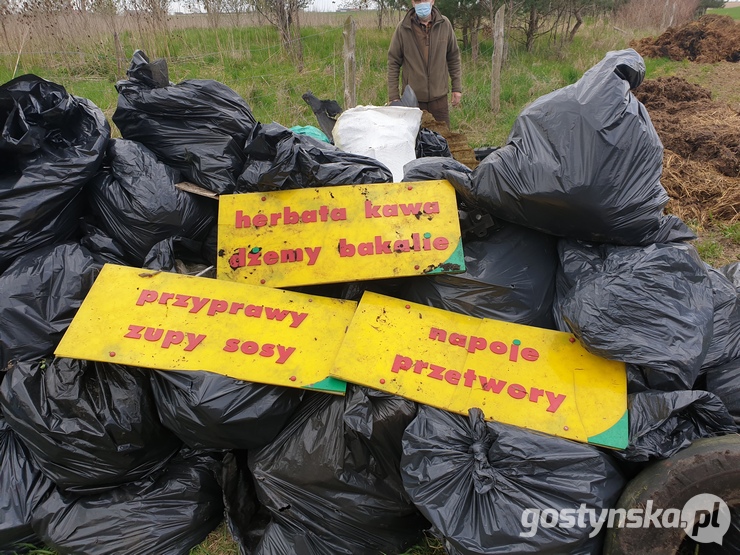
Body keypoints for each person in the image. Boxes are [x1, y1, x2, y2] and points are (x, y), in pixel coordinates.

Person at [387, 0, 462, 128]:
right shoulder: (403, 28)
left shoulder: (444, 24)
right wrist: (394, 96)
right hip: (413, 102)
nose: (422, 3)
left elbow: (453, 57)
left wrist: (457, 88)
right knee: (415, 142)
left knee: (443, 141)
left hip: (439, 99)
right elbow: (393, 62)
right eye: (418, 0)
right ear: (413, 2)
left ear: (432, 1)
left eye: (425, 0)